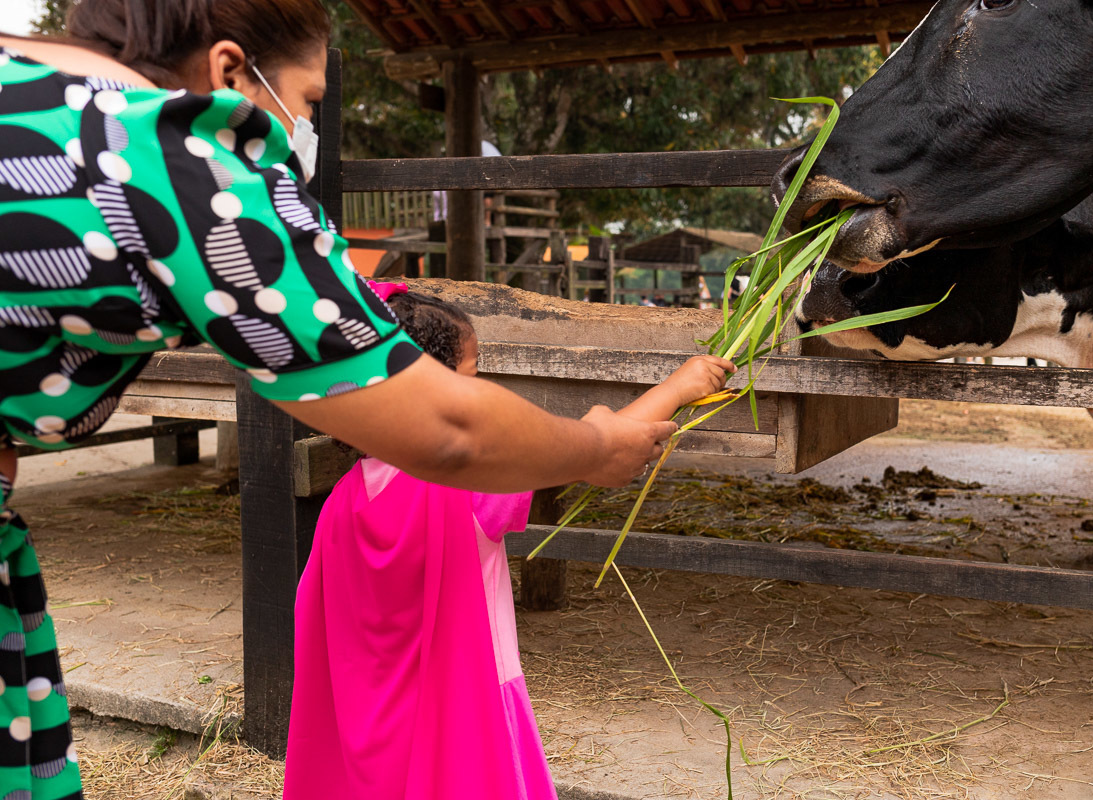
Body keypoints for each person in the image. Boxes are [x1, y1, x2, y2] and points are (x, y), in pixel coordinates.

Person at [0, 2, 698, 796]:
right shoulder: (167, 150)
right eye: (305, 102)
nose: (301, 132)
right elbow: (449, 429)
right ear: (229, 74)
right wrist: (598, 447)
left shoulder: (23, 81)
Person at [284, 283, 732, 799]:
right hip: (465, 713)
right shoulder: (466, 484)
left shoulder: (342, 501)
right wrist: (677, 387)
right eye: (472, 380)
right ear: (434, 396)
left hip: (373, 729)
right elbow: (596, 448)